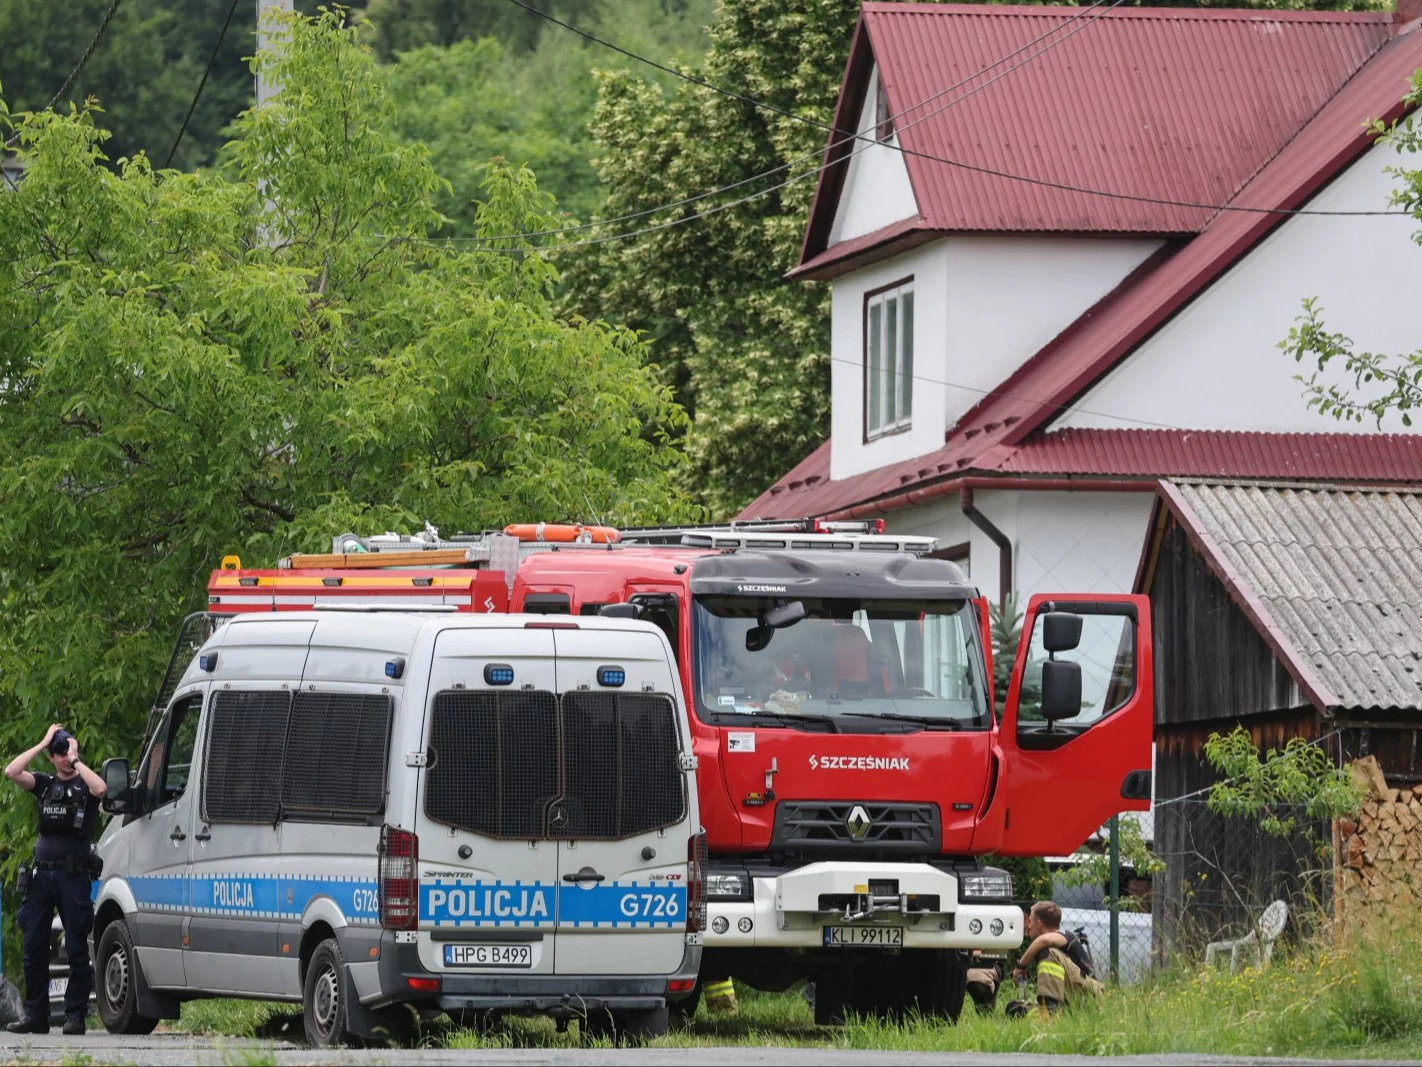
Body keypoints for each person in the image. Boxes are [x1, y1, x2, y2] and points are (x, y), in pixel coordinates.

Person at [5, 724, 107, 1036]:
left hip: (73, 876)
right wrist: (43, 742)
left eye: (68, 750)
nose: (64, 757)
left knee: (76, 947)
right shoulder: (45, 784)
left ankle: (75, 1016)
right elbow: (11, 771)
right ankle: (36, 1016)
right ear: (51, 757)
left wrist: (76, 761)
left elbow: (101, 789)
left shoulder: (84, 784)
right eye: (59, 753)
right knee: (33, 947)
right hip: (41, 877)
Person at [1007, 901, 1103, 1018]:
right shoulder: (1055, 945)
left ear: (1039, 923)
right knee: (1014, 1008)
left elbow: (1044, 940)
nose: (1029, 926)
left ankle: (1050, 1012)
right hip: (1072, 1001)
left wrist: (1020, 966)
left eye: (1031, 921)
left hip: (1091, 997)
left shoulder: (1064, 936)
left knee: (1047, 952)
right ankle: (1053, 1012)